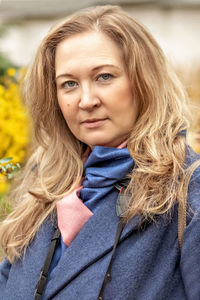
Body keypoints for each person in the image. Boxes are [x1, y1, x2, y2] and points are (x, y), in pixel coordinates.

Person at [0, 5, 200, 300]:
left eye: (104, 77)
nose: (86, 100)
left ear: (143, 82)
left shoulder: (186, 192)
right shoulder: (42, 191)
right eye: (69, 84)